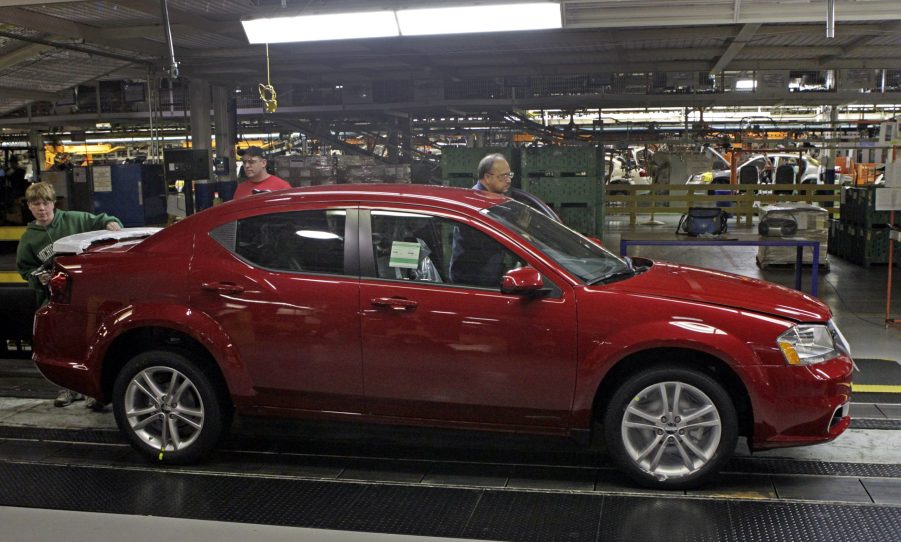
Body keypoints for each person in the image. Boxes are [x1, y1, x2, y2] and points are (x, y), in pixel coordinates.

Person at [16, 182, 123, 408]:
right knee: (62, 343)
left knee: (89, 340)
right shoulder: (28, 239)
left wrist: (110, 222)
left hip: (86, 295)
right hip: (57, 298)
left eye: (45, 203)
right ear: (29, 207)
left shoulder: (74, 219)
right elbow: (25, 269)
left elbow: (102, 219)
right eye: (36, 204)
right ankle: (67, 388)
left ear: (53, 203)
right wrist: (38, 279)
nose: (42, 209)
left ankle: (93, 390)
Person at [448, 153, 514, 287]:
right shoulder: (474, 205)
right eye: (503, 176)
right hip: (473, 281)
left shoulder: (492, 199)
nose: (508, 180)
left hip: (487, 275)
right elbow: (485, 243)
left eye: (509, 175)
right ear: (487, 177)